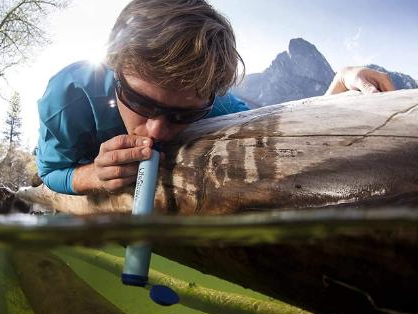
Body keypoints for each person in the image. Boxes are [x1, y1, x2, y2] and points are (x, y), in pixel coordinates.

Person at [36, 0, 394, 195]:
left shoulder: (215, 104)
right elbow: (51, 171)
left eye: (182, 115)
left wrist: (339, 87)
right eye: (141, 103)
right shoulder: (68, 96)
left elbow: (278, 126)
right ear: (114, 65)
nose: (157, 130)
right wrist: (91, 177)